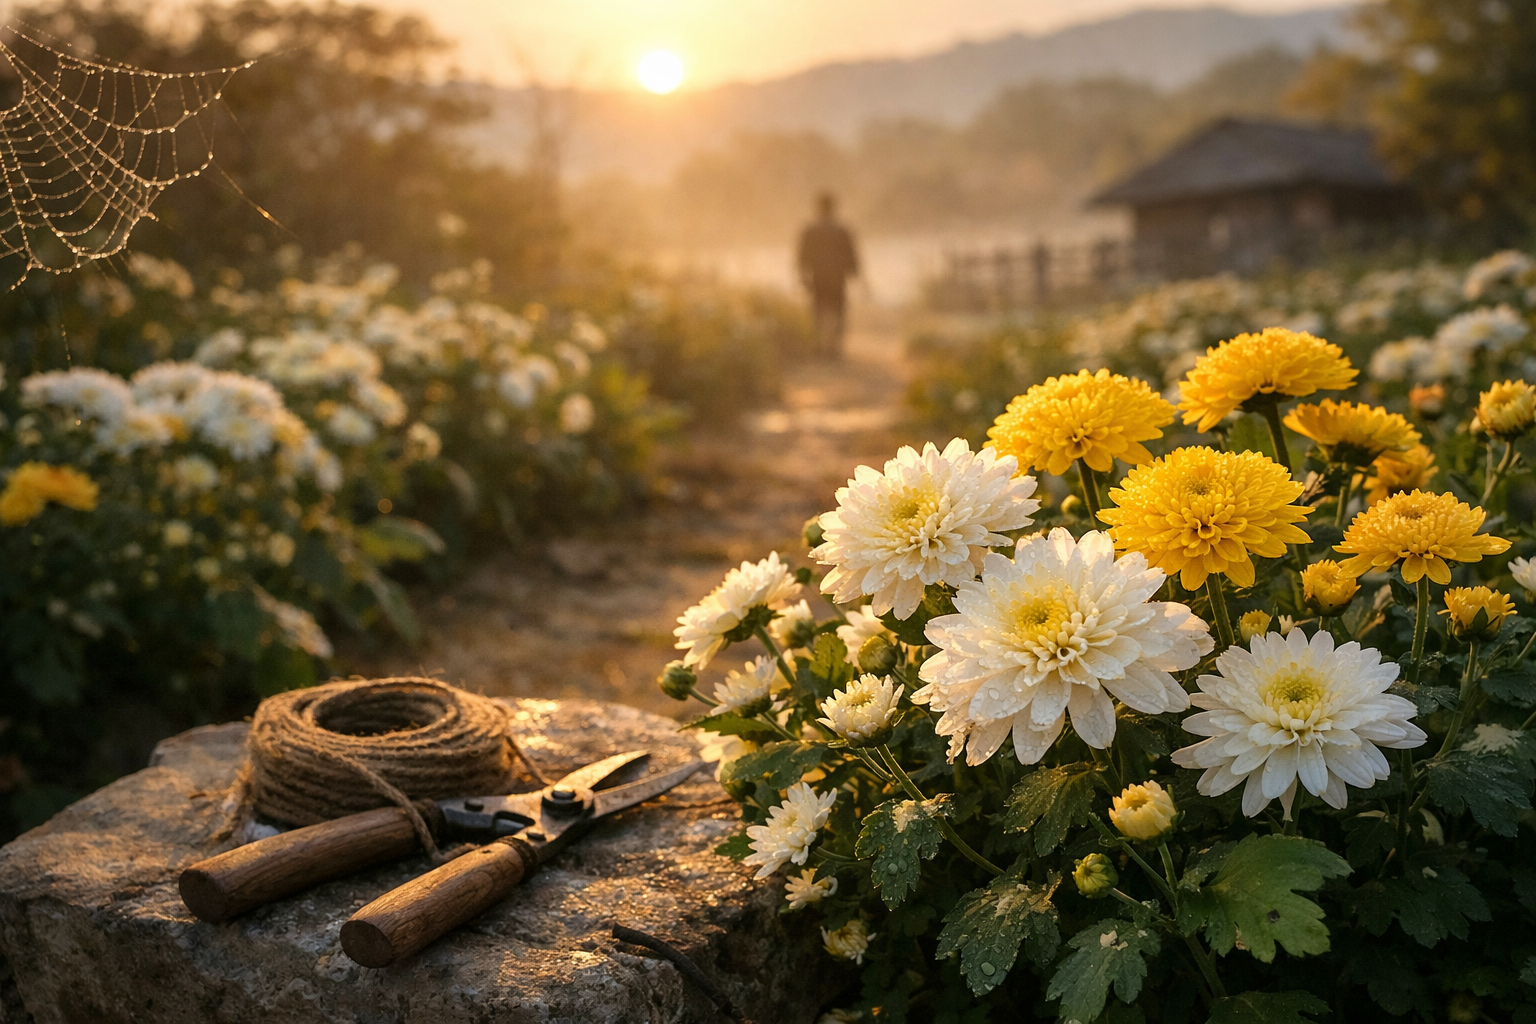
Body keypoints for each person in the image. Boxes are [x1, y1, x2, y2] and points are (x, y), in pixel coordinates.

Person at [796, 192, 860, 359]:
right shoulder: (842, 230)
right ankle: (834, 347)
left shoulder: (810, 230)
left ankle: (819, 346)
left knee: (818, 311)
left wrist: (803, 276)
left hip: (818, 277)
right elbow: (851, 255)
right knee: (837, 311)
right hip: (837, 278)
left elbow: (802, 256)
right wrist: (855, 273)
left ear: (818, 208)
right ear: (833, 208)